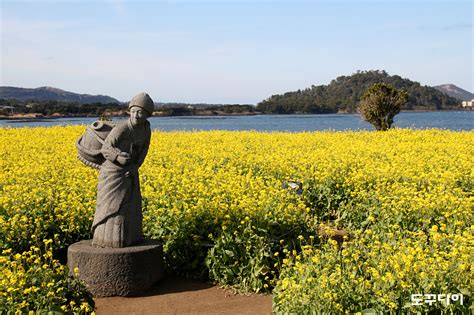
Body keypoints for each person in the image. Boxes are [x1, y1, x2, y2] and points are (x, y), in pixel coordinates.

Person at [91, 92, 153, 248]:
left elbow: (143, 151)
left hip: (129, 172)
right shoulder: (123, 128)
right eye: (133, 111)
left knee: (130, 206)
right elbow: (106, 148)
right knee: (111, 207)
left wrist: (134, 167)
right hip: (113, 172)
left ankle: (130, 238)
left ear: (147, 115)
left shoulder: (146, 129)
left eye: (140, 112)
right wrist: (118, 158)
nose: (136, 115)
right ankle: (106, 240)